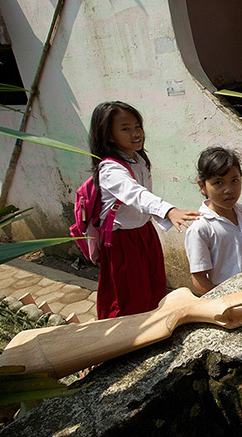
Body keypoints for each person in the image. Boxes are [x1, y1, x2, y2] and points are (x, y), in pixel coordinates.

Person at [89, 101, 200, 319]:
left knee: (153, 286)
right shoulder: (110, 169)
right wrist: (168, 210)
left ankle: (152, 328)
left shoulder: (137, 159)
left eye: (137, 126)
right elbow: (136, 194)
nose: (136, 133)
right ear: (109, 136)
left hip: (144, 233)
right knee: (128, 296)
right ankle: (126, 340)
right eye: (126, 128)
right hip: (123, 242)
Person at [185, 147, 242, 295]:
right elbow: (199, 278)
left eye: (234, 180)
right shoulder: (201, 228)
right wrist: (222, 304)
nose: (229, 190)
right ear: (202, 186)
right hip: (227, 297)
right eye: (218, 183)